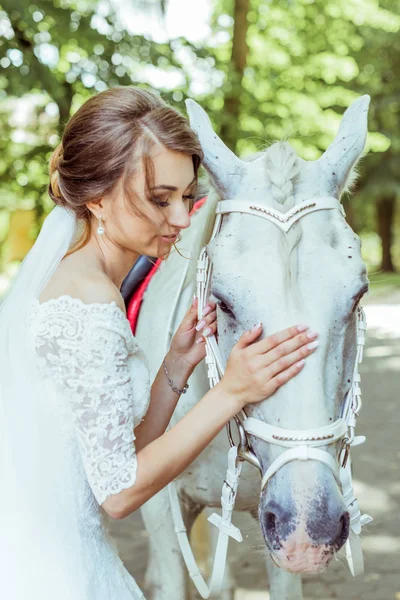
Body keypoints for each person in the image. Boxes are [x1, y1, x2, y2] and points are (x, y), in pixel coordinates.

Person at [0, 86, 319, 599]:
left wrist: (176, 365)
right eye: (158, 198)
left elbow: (119, 453)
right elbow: (119, 492)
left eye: (189, 196)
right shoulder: (89, 302)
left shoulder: (78, 281)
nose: (182, 219)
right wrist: (230, 393)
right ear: (97, 197)